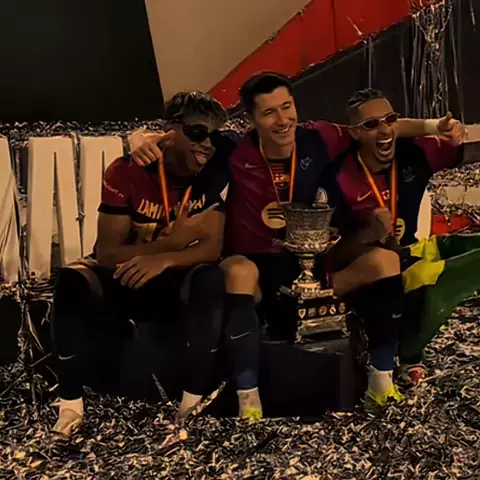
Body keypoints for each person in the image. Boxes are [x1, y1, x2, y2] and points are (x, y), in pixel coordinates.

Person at [128, 72, 463, 410]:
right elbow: (181, 137)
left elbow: (375, 126)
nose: (282, 120)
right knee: (239, 271)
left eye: (286, 107)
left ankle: (381, 383)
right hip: (257, 271)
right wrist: (139, 137)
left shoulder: (321, 138)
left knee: (385, 261)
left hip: (315, 271)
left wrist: (435, 126)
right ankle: (249, 401)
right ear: (251, 120)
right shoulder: (233, 148)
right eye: (269, 112)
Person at [51, 92, 261, 437]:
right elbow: (107, 253)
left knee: (210, 278)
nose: (207, 144)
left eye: (214, 136)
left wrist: (165, 259)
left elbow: (210, 248)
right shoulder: (126, 171)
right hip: (126, 274)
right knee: (72, 279)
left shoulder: (212, 169)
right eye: (197, 133)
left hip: (176, 277)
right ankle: (70, 406)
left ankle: (191, 403)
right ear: (170, 132)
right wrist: (166, 246)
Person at [323, 88, 478, 390]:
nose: (384, 131)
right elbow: (334, 255)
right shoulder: (338, 176)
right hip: (369, 276)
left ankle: (406, 346)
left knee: (466, 251)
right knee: (420, 274)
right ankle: (406, 354)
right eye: (371, 125)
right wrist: (368, 234)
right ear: (355, 133)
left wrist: (444, 130)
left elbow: (466, 153)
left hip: (408, 253)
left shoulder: (414, 152)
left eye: (390, 120)